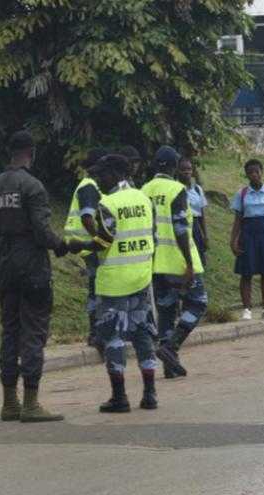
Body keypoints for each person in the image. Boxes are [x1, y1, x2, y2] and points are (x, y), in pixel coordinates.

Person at [66, 154, 172, 412]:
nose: (98, 180)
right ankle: (150, 394)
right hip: (141, 278)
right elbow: (153, 237)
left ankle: (119, 397)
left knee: (113, 338)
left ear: (115, 174)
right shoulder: (143, 199)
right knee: (143, 335)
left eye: (102, 175)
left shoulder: (109, 203)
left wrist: (81, 245)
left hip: (114, 282)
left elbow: (104, 241)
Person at [0, 130, 69, 423]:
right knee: (33, 332)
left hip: (5, 266)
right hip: (33, 267)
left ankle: (10, 403)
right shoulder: (32, 186)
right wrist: (61, 246)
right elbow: (42, 231)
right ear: (31, 153)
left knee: (10, 332)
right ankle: (31, 403)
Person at [140, 146, 207, 379]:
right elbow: (180, 228)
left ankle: (170, 366)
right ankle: (171, 347)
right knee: (198, 304)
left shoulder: (143, 190)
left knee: (166, 312)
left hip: (155, 263)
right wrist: (189, 263)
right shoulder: (177, 189)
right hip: (179, 261)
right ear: (174, 166)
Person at [64, 147, 108, 347]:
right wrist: (99, 239)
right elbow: (87, 217)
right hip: (86, 246)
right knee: (96, 289)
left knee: (96, 288)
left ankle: (97, 333)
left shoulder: (89, 185)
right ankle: (96, 333)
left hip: (84, 245)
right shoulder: (89, 186)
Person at [230, 159, 264, 321]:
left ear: (262, 172)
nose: (254, 174)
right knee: (247, 273)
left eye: (257, 171)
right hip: (248, 235)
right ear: (246, 174)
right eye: (250, 172)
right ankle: (246, 309)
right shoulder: (242, 194)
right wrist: (233, 240)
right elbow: (238, 219)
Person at [178, 157, 209, 268]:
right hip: (181, 226)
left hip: (195, 228)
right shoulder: (175, 189)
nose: (187, 172)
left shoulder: (197, 189)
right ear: (177, 170)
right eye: (183, 169)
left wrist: (205, 236)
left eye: (189, 169)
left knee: (198, 262)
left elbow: (201, 214)